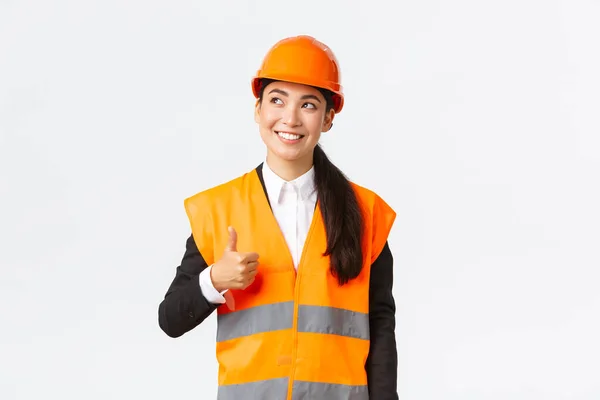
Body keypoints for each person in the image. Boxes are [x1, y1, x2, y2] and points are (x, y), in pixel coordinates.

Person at [158, 35, 398, 400]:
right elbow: (170, 320)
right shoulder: (218, 211)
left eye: (309, 105)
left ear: (329, 118)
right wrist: (213, 281)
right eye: (277, 100)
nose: (290, 118)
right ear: (258, 110)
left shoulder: (365, 214)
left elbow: (380, 330)